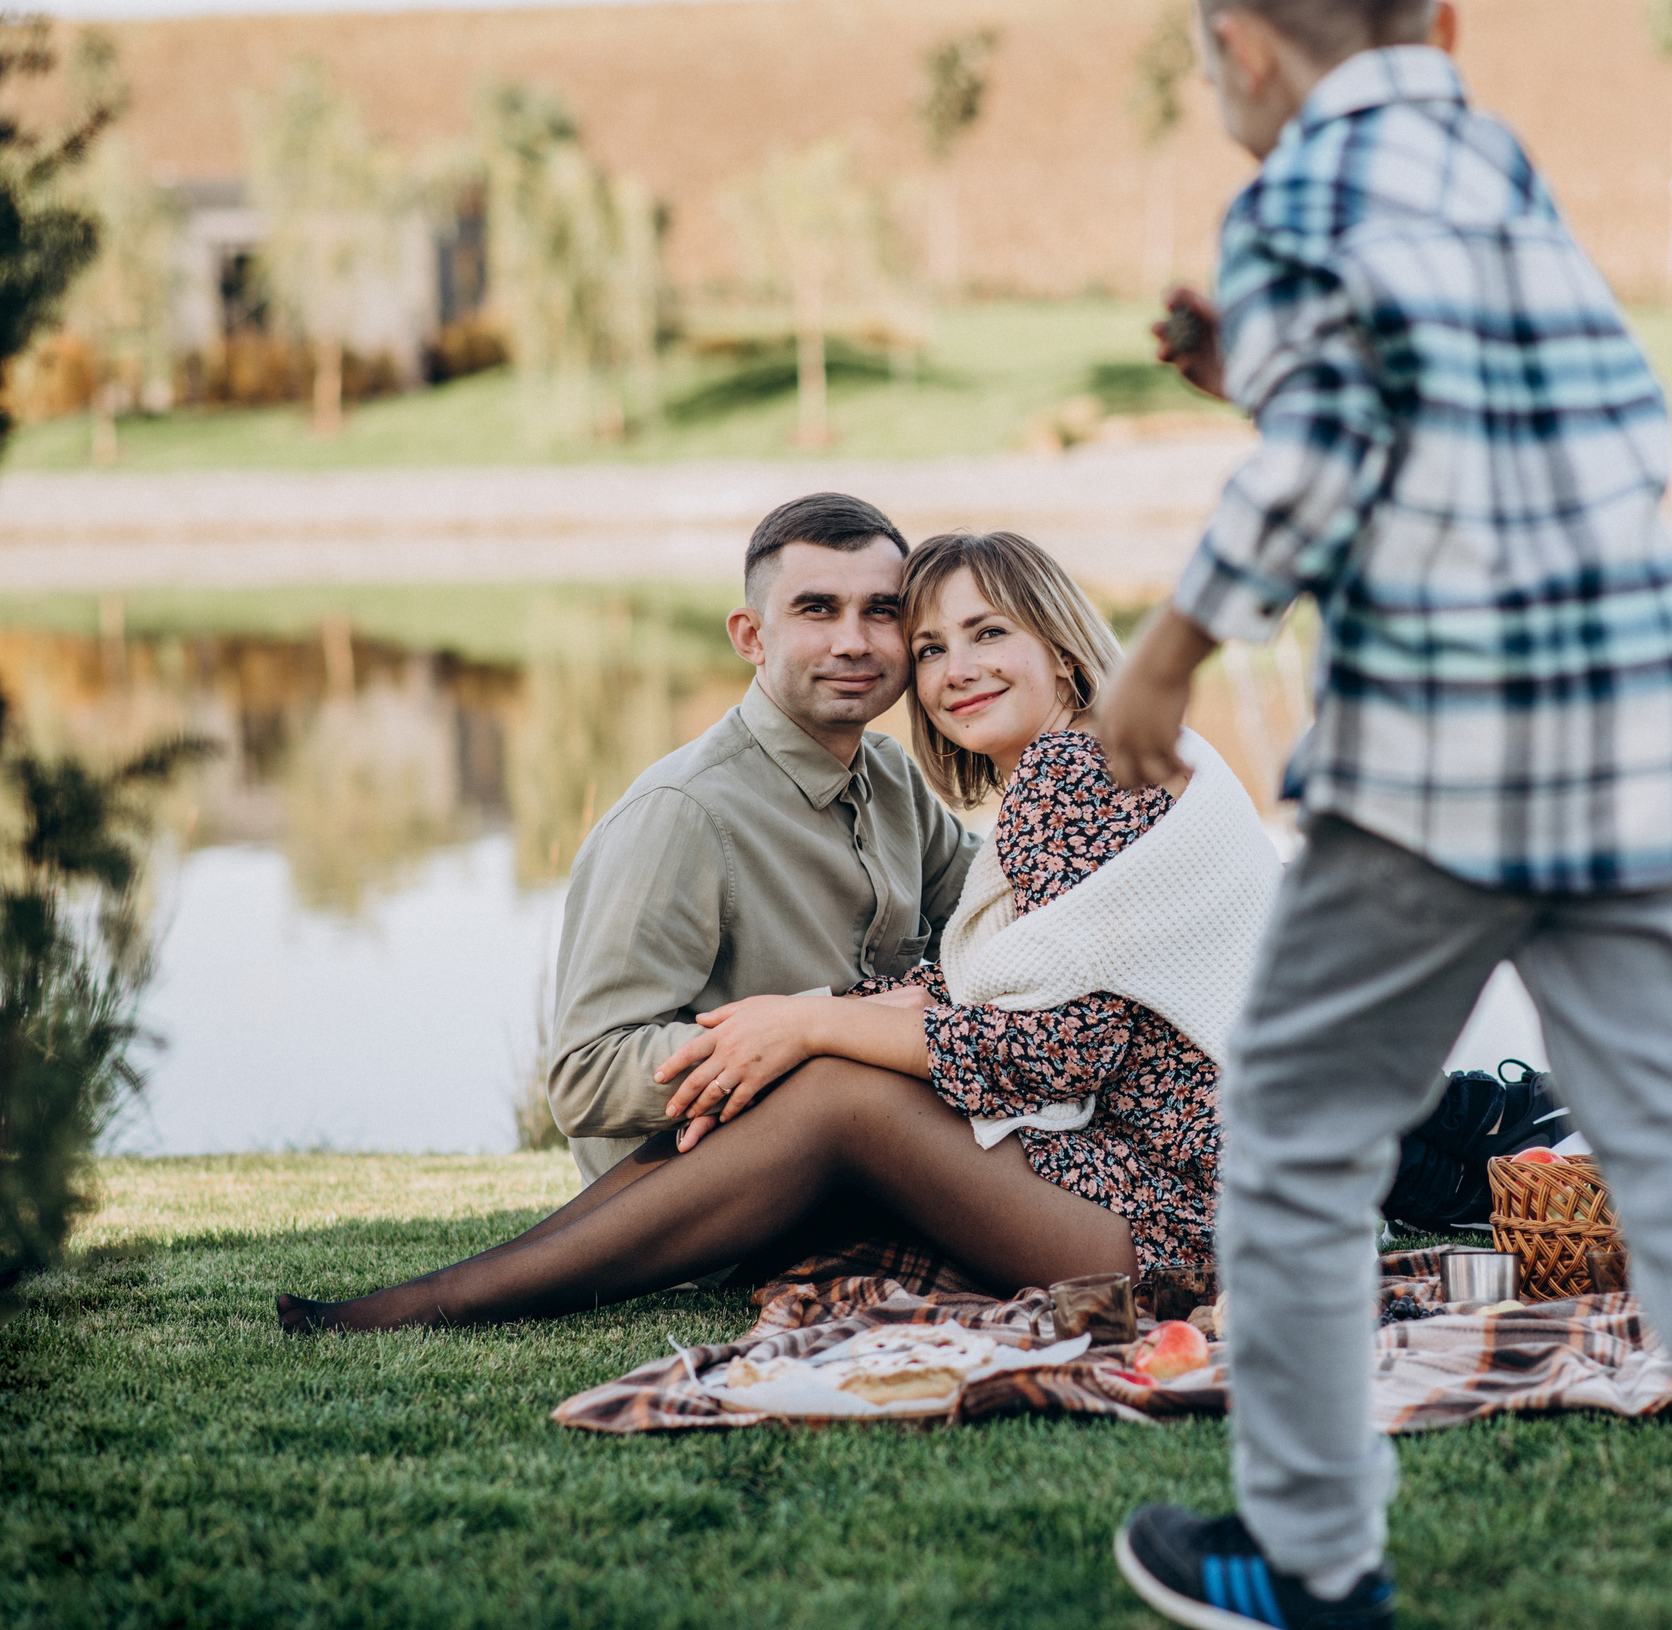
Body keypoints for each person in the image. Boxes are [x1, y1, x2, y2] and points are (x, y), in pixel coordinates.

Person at [1096, 0, 1672, 1630]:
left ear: (1245, 58)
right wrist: (1247, 370)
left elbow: (1337, 442)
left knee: (1292, 1135)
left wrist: (1173, 644)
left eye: (1211, 78)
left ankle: (1312, 1553)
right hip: (1640, 746)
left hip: (1440, 757)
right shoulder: (1499, 171)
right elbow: (1455, 408)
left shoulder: (1294, 193)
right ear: (1447, 27)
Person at [276, 531, 1273, 1331]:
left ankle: (444, 1300)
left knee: (839, 1091)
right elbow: (1003, 993)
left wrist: (805, 1027)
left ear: (1059, 647)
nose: (953, 670)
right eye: (931, 648)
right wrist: (784, 1035)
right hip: (1179, 1191)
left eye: (986, 634)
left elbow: (1058, 1054)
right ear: (751, 634)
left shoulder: (1074, 773)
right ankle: (453, 1292)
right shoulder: (1094, 760)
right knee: (811, 1067)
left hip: (1185, 1226)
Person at [541, 492, 978, 1186]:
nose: (854, 642)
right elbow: (585, 1075)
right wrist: (818, 1028)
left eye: (881, 611)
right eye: (817, 609)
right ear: (750, 636)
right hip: (706, 1200)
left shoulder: (892, 775)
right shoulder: (682, 813)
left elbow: (998, 915)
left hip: (865, 1160)